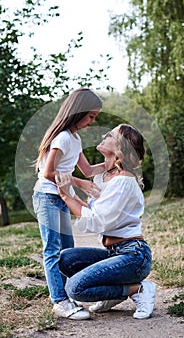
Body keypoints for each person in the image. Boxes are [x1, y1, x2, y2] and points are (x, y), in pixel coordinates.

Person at [57, 124, 157, 319]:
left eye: (110, 134)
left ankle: (137, 290)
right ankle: (114, 292)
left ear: (120, 147)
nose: (104, 134)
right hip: (115, 253)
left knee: (75, 288)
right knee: (65, 259)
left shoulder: (123, 181)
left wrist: (65, 196)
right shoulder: (109, 178)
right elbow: (91, 208)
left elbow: (96, 222)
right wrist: (70, 189)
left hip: (133, 256)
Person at [32, 88, 105, 320]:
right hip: (47, 197)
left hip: (62, 196)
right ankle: (59, 301)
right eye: (91, 116)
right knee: (53, 249)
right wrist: (79, 184)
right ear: (78, 112)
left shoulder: (75, 138)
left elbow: (88, 170)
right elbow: (48, 172)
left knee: (68, 249)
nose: (92, 122)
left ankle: (66, 294)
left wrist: (116, 159)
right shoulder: (62, 136)